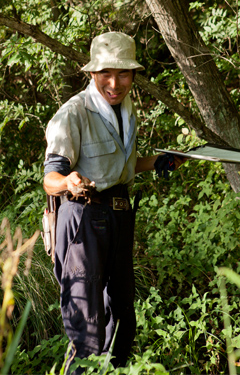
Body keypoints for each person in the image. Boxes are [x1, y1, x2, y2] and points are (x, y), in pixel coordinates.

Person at [43, 31, 184, 373]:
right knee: (87, 328)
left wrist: (161, 161)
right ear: (92, 73)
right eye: (106, 73)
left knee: (121, 322)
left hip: (119, 218)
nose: (114, 82)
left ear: (133, 75)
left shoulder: (126, 110)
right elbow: (51, 178)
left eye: (123, 74)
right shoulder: (73, 113)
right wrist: (69, 182)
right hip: (83, 221)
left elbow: (122, 165)